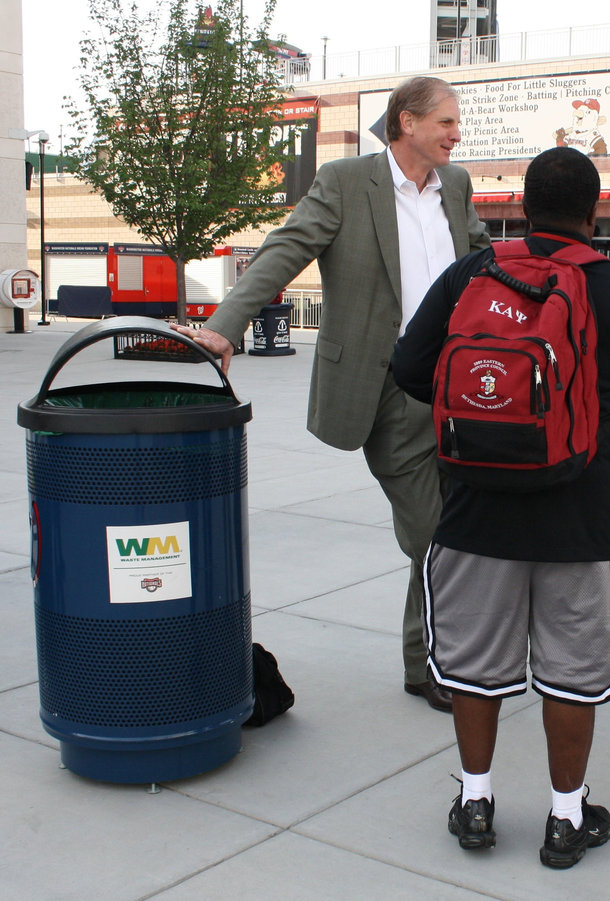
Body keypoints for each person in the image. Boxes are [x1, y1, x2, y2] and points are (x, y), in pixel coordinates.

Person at [391, 147, 610, 866]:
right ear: (593, 214)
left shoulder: (471, 276)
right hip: (584, 524)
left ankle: (476, 802)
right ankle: (566, 818)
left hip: (474, 514)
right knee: (573, 672)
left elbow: (411, 369)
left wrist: (480, 417)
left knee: (473, 666)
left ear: (525, 208)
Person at [174, 76, 490, 713]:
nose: (458, 134)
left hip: (457, 389)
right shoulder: (348, 181)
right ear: (406, 122)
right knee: (435, 532)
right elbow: (286, 249)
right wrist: (225, 325)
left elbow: (482, 260)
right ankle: (435, 663)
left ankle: (428, 658)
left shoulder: (455, 186)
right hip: (389, 389)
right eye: (447, 123)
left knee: (457, 528)